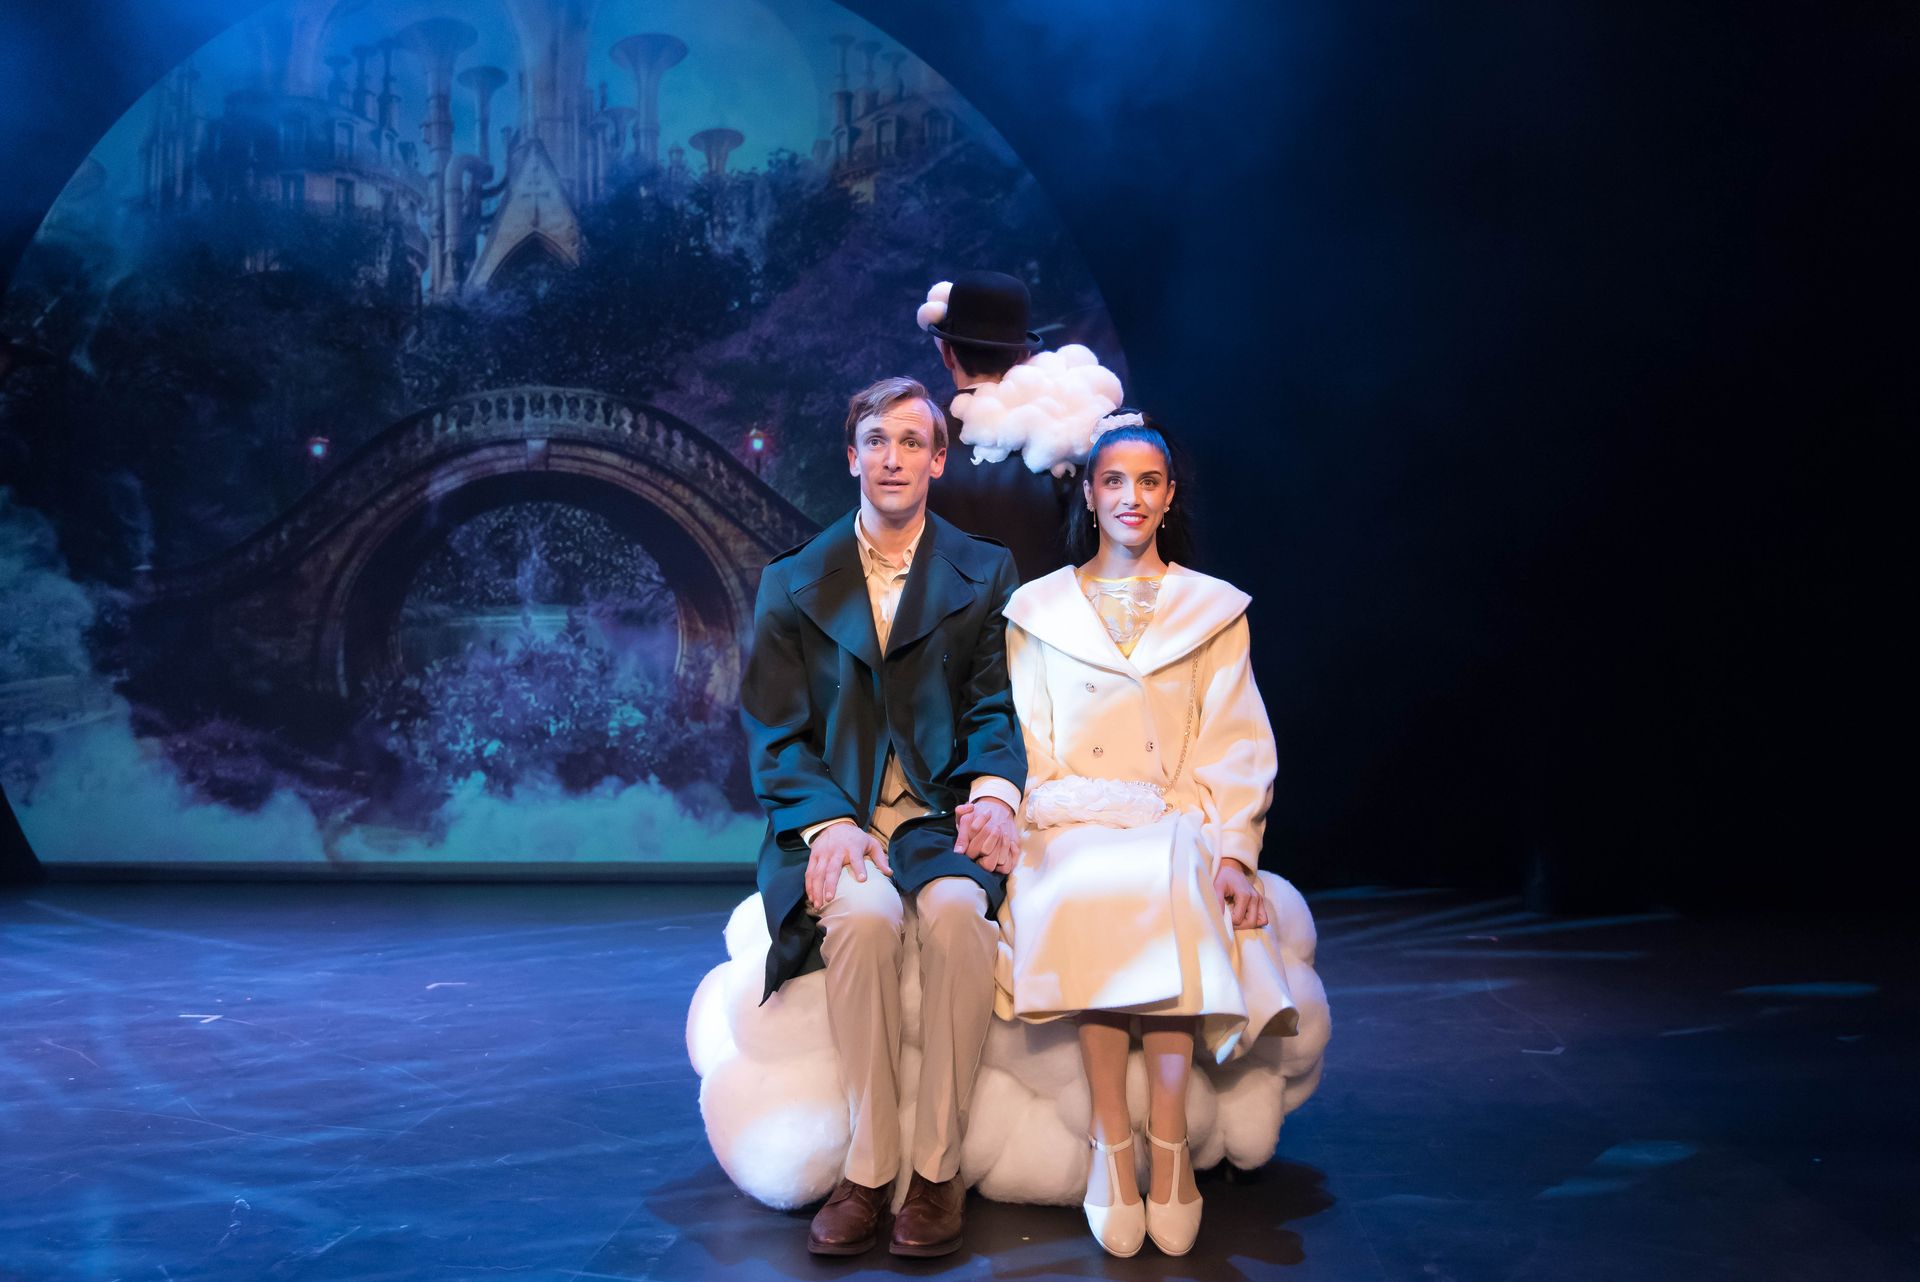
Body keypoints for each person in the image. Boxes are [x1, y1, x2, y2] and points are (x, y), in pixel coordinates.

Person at [995, 411, 1298, 1258]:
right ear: (1090, 497)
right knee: (1094, 882)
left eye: (1149, 482)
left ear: (1169, 498)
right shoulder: (1038, 610)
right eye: (1114, 481)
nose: (1132, 497)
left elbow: (1235, 739)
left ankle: (1168, 1146)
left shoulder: (1213, 610)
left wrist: (1235, 850)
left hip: (1175, 814)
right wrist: (1047, 811)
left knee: (1172, 881)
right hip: (1072, 813)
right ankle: (1109, 1142)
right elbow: (1028, 737)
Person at [740, 376, 1027, 1258]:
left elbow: (995, 705)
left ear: (938, 460)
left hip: (939, 816)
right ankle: (868, 1173)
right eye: (876, 440)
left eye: (911, 442)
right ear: (852, 456)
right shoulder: (791, 582)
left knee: (958, 916)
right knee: (863, 922)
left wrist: (993, 793)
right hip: (842, 817)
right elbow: (776, 734)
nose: (892, 458)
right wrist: (828, 824)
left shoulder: (984, 570)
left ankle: (935, 1173)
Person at [920, 270, 1075, 582]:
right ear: (1023, 355)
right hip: (1044, 611)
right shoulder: (1068, 439)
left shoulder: (915, 441)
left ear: (947, 354)